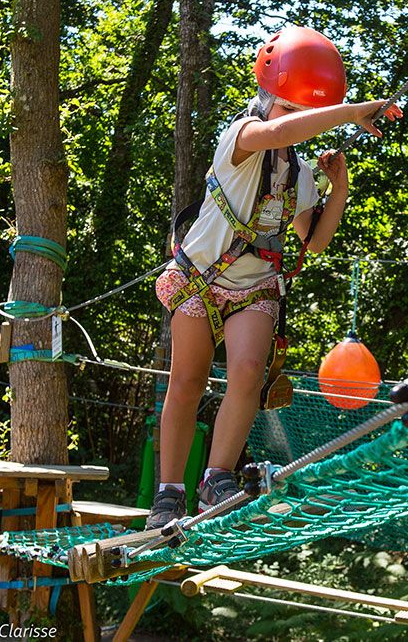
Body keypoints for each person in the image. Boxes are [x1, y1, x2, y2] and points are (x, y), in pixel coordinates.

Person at [145, 26, 403, 530]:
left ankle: (216, 476)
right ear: (265, 101)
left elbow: (314, 239)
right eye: (288, 110)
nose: (296, 123)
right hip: (199, 277)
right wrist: (351, 111)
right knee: (189, 379)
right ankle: (169, 490)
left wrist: (339, 185)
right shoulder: (240, 139)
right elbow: (279, 133)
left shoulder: (297, 172)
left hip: (255, 286)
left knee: (246, 371)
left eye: (303, 114)